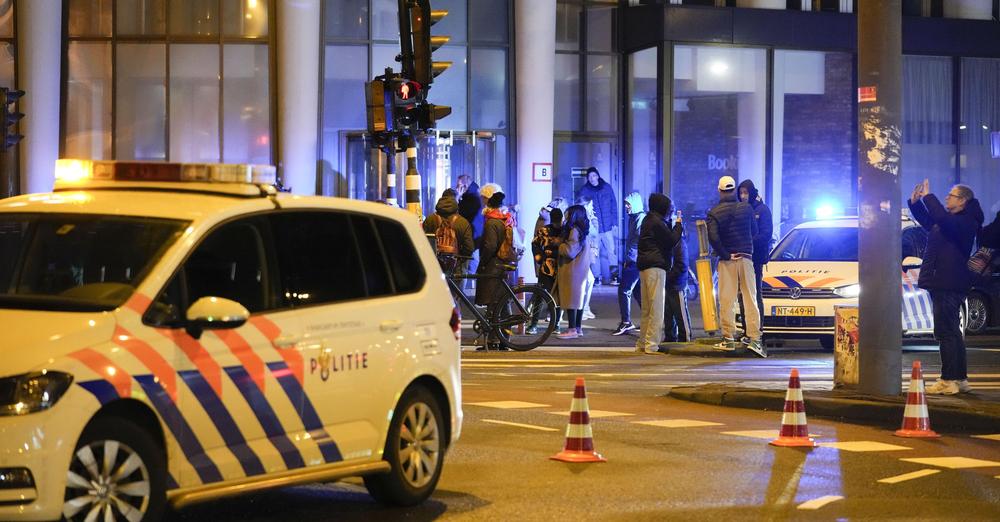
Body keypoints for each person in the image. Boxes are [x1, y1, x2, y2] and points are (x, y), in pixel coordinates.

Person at [908, 179, 984, 395]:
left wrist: (928, 197)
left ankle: (949, 379)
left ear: (962, 201)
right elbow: (930, 221)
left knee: (946, 332)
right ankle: (959, 378)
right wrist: (916, 204)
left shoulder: (965, 222)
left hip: (948, 282)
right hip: (944, 281)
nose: (946, 198)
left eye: (950, 195)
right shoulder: (952, 221)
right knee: (951, 332)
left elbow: (940, 218)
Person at [708, 175, 765, 358]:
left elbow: (713, 238)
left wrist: (725, 254)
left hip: (728, 260)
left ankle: (728, 338)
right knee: (750, 298)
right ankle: (755, 339)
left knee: (727, 299)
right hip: (747, 258)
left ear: (719, 190)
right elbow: (754, 231)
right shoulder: (747, 208)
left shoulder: (714, 213)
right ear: (734, 191)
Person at [635, 193, 683, 354]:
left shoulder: (648, 220)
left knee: (647, 309)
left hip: (645, 267)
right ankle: (651, 344)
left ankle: (642, 342)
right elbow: (671, 240)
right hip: (656, 267)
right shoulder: (657, 222)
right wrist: (678, 225)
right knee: (656, 307)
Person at [476, 191, 514, 350]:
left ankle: (493, 340)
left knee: (493, 303)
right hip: (503, 263)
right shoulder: (505, 219)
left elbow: (490, 245)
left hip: (493, 266)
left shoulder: (492, 222)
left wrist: (483, 262)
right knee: (503, 303)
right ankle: (504, 339)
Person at [737, 179, 773, 337]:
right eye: (741, 192)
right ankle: (746, 329)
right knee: (742, 295)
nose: (743, 195)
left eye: (745, 192)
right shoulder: (741, 209)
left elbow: (766, 234)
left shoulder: (762, 210)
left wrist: (748, 242)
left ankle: (757, 330)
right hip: (741, 258)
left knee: (755, 294)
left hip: (755, 259)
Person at [555, 205, 593, 340]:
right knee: (578, 301)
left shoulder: (574, 231)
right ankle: (577, 328)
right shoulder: (583, 231)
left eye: (568, 213)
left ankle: (572, 329)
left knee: (571, 300)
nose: (566, 215)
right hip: (580, 269)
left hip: (572, 270)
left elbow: (570, 251)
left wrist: (559, 245)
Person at [577, 167, 619, 285]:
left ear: (598, 176)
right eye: (590, 177)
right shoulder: (584, 190)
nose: (592, 179)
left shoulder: (607, 187)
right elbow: (581, 207)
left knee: (611, 251)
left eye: (594, 176)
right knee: (594, 253)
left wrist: (615, 223)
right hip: (593, 229)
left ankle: (614, 276)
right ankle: (597, 277)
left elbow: (613, 205)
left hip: (607, 227)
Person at [613, 192, 646, 336]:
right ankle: (648, 320)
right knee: (637, 292)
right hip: (634, 259)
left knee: (624, 290)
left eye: (628, 204)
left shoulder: (640, 219)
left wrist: (629, 259)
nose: (626, 206)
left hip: (635, 260)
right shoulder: (634, 218)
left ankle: (626, 322)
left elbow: (637, 241)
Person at [529, 208, 563, 334]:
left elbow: (535, 244)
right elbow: (535, 244)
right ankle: (535, 323)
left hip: (557, 266)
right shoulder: (545, 231)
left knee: (556, 297)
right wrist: (539, 257)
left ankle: (554, 323)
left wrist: (539, 257)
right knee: (542, 295)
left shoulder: (563, 231)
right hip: (550, 266)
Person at [423, 192, 474, 272]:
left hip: (434, 267)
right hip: (455, 268)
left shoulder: (430, 219)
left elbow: (423, 243)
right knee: (455, 285)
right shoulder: (463, 222)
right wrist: (459, 260)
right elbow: (469, 248)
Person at [663, 210, 692, 343]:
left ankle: (685, 337)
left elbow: (681, 265)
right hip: (672, 282)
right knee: (669, 312)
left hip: (676, 283)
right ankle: (671, 337)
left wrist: (668, 276)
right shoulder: (676, 242)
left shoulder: (679, 244)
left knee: (680, 312)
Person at [458, 181, 483, 286]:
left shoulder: (470, 200)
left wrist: (458, 197)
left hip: (471, 239)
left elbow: (461, 213)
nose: (457, 187)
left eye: (459, 185)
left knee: (466, 269)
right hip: (474, 238)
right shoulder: (472, 199)